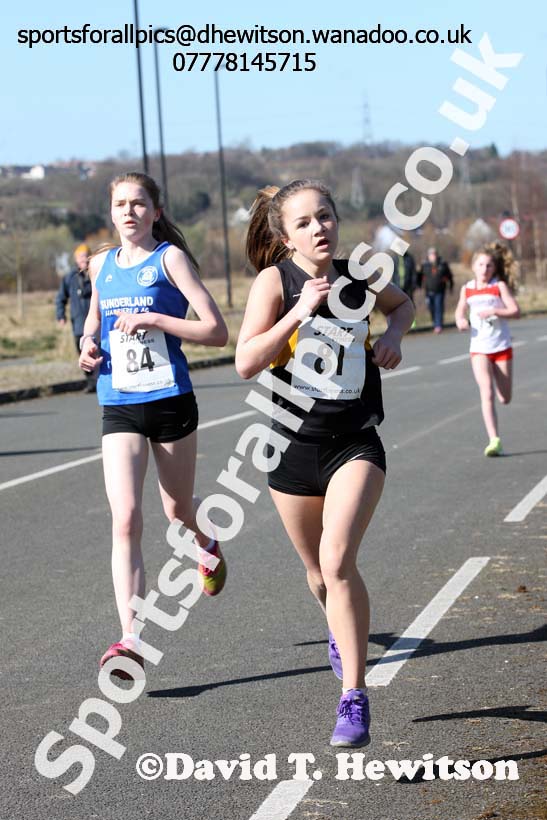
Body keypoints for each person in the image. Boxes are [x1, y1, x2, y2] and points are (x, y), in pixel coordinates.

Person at [236, 180, 414, 747]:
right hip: (290, 449)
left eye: (327, 217)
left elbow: (403, 304)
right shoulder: (275, 282)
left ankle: (354, 698)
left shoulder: (361, 274)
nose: (320, 228)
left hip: (354, 442)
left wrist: (395, 335)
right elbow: (245, 361)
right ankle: (338, 629)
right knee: (317, 575)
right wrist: (299, 313)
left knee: (338, 563)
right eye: (306, 222)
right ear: (286, 237)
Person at [78, 171, 229, 675]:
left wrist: (156, 320)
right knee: (125, 518)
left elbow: (215, 330)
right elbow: (94, 321)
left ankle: (205, 544)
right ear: (112, 212)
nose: (129, 212)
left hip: (169, 399)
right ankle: (130, 640)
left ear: (156, 211)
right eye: (121, 204)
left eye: (139, 203)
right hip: (118, 400)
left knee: (177, 510)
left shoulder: (169, 259)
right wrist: (87, 346)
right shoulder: (101, 264)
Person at [455, 244, 520, 457]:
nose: (485, 269)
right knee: (487, 392)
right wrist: (461, 321)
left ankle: (495, 436)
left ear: (494, 268)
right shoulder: (467, 289)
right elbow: (459, 311)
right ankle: (494, 440)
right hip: (479, 348)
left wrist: (495, 310)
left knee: (505, 397)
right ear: (474, 267)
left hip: (501, 346)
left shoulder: (498, 286)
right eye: (481, 264)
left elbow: (515, 311)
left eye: (489, 265)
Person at [56, 243, 97, 392]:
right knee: (82, 352)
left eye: (86, 256)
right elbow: (60, 298)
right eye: (81, 256)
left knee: (99, 351)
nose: (84, 259)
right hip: (79, 323)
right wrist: (60, 315)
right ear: (76, 259)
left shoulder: (96, 273)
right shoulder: (70, 278)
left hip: (97, 323)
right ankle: (90, 381)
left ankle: (98, 380)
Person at [418, 246, 453, 333]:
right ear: (428, 256)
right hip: (429, 290)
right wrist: (418, 285)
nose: (433, 256)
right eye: (431, 254)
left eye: (434, 254)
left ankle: (438, 325)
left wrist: (451, 286)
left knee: (439, 307)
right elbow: (419, 276)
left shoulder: (443, 264)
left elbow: (449, 276)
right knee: (431, 307)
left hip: (440, 290)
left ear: (437, 255)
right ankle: (435, 322)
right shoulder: (425, 265)